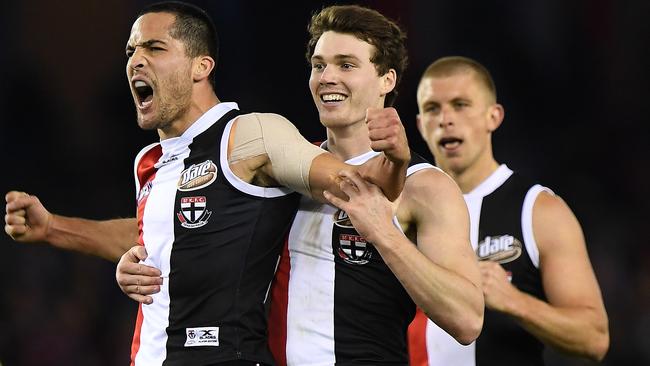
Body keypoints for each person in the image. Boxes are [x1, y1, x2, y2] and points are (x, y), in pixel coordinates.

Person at [4, 2, 412, 366]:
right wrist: (52, 228)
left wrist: (395, 159)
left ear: (202, 66)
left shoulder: (252, 135)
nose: (135, 61)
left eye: (154, 48)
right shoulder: (149, 162)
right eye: (131, 51)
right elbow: (161, 236)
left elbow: (357, 187)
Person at [118, 5, 484, 365]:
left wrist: (385, 235)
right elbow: (186, 227)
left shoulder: (426, 186)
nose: (327, 77)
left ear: (387, 80)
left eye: (346, 64)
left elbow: (467, 320)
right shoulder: (278, 169)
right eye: (319, 65)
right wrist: (131, 259)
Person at [407, 56, 609, 365]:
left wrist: (514, 301)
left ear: (493, 116)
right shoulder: (400, 207)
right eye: (433, 108)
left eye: (460, 105)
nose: (446, 118)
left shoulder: (539, 209)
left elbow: (594, 338)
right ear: (421, 124)